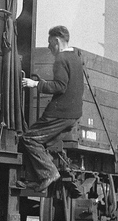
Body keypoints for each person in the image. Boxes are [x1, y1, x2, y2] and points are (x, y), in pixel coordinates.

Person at [20, 25, 84, 192]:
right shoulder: (75, 58)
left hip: (60, 113)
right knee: (41, 143)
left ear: (57, 41)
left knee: (29, 139)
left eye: (50, 43)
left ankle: (48, 173)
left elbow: (60, 86)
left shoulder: (61, 59)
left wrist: (36, 84)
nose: (49, 47)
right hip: (73, 114)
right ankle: (37, 179)